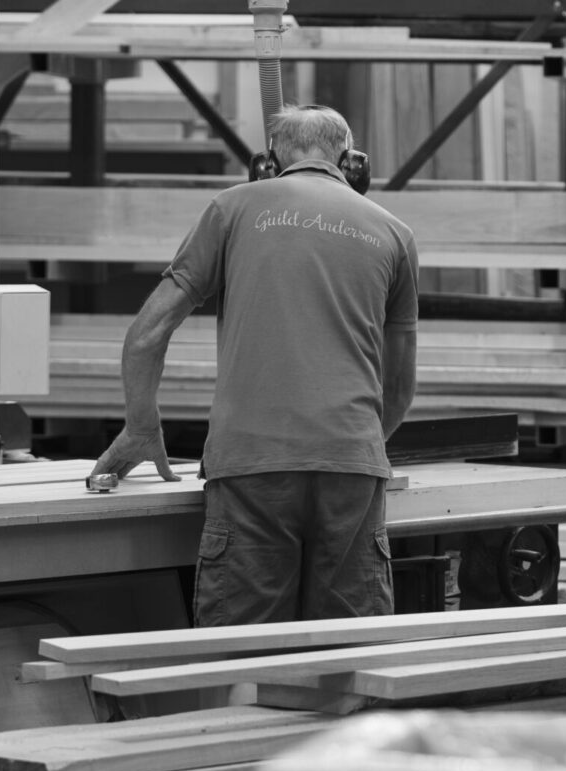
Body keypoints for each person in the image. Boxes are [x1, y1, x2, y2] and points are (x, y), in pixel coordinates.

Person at [90, 105, 419, 626]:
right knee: (350, 654)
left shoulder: (231, 209)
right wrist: (348, 443)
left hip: (250, 463)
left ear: (268, 162)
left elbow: (145, 335)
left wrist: (140, 427)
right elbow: (399, 388)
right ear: (352, 162)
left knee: (240, 651)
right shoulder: (395, 233)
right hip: (351, 465)